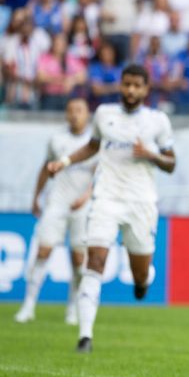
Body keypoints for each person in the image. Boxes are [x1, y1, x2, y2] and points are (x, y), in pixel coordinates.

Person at [47, 65, 175, 353]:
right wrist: (65, 162)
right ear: (121, 86)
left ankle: (143, 282)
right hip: (106, 199)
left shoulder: (157, 121)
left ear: (146, 89)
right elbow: (92, 146)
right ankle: (85, 337)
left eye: (136, 86)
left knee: (140, 276)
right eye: (126, 84)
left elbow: (171, 163)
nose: (130, 90)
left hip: (141, 203)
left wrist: (151, 155)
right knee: (94, 263)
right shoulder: (104, 114)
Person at [15, 98, 95, 325]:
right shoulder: (57, 140)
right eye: (70, 111)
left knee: (79, 261)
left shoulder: (95, 143)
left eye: (79, 110)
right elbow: (45, 167)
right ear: (66, 114)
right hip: (57, 203)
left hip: (82, 207)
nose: (75, 115)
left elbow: (100, 175)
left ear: (87, 114)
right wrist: (36, 197)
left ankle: (72, 309)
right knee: (43, 252)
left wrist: (86, 196)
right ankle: (28, 306)